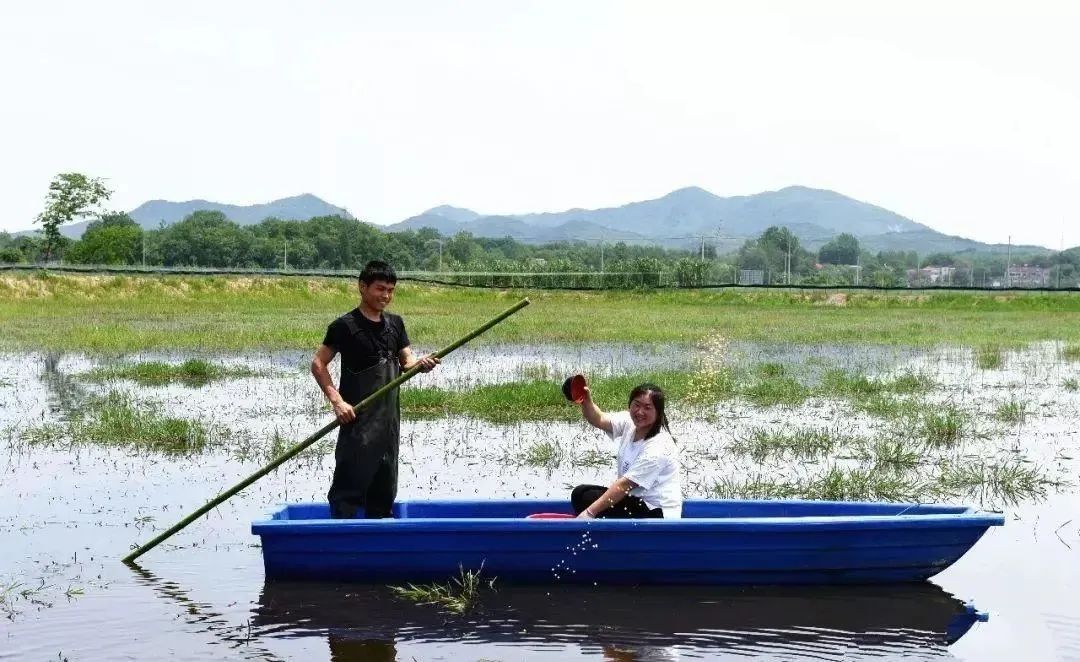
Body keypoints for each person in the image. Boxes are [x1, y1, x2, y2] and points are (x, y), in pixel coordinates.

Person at [311, 260, 439, 519]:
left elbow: (407, 363)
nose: (386, 296)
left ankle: (379, 539)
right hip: (357, 424)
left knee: (383, 491)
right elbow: (318, 363)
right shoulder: (344, 326)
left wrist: (421, 365)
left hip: (388, 426)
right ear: (362, 287)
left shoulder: (396, 324)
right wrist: (338, 402)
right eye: (380, 289)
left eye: (391, 290)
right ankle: (341, 543)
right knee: (348, 489)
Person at [571, 382, 682, 519]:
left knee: (586, 498)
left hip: (656, 513)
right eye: (636, 405)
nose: (640, 412)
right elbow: (598, 419)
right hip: (635, 501)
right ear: (630, 404)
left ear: (658, 413)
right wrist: (585, 399)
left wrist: (589, 513)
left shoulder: (658, 446)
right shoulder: (629, 423)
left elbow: (624, 485)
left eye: (647, 408)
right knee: (581, 493)